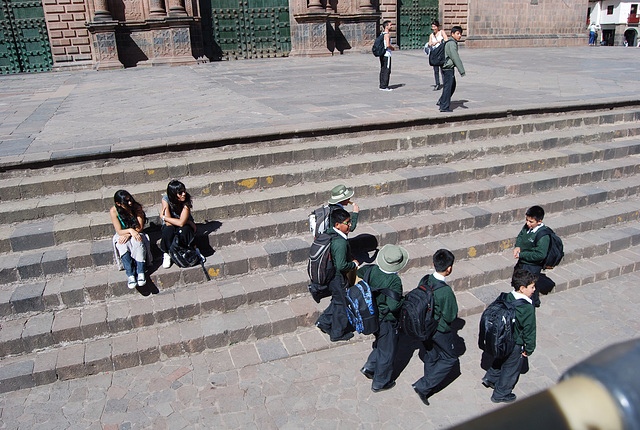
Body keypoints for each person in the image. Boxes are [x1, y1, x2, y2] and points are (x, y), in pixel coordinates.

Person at [412, 249, 460, 405]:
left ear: (433, 264)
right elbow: (450, 316)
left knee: (431, 354)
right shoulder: (445, 291)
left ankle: (428, 382)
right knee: (450, 358)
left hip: (423, 326)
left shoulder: (425, 279)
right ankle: (423, 386)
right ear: (449, 268)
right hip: (439, 330)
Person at [482, 269, 537, 403]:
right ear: (523, 288)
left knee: (500, 359)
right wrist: (528, 349)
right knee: (510, 369)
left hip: (500, 339)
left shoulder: (505, 297)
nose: (534, 290)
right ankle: (500, 394)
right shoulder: (527, 308)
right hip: (515, 343)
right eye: (532, 287)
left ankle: (490, 378)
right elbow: (530, 330)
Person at [359, 244, 408, 392]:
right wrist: (403, 300)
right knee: (388, 350)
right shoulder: (394, 281)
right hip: (386, 319)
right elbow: (393, 305)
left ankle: (370, 367)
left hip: (370, 315)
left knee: (381, 343)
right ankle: (380, 382)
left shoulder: (370, 269)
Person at [315, 208, 360, 341]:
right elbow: (341, 266)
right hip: (337, 278)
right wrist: (354, 265)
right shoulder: (340, 242)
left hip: (330, 276)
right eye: (347, 223)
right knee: (342, 304)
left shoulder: (329, 233)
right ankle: (337, 333)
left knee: (337, 299)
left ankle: (324, 321)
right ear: (337, 225)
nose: (349, 225)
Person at [110, 190, 150, 289]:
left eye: (130, 200)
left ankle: (140, 271)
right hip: (123, 233)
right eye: (126, 202)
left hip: (135, 231)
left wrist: (131, 233)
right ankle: (130, 274)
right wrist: (130, 232)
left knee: (137, 242)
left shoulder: (136, 208)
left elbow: (140, 227)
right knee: (122, 244)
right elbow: (119, 231)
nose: (130, 203)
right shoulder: (114, 211)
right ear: (118, 204)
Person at [160, 180, 202, 268]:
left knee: (185, 229)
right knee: (168, 229)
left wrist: (163, 217)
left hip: (183, 225)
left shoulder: (186, 200)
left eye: (184, 191)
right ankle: (167, 253)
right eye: (180, 192)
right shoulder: (166, 200)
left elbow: (182, 223)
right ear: (173, 194)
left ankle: (194, 249)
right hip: (173, 225)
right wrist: (186, 222)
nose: (183, 194)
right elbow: (168, 223)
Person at [513, 205, 549, 307]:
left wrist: (522, 254)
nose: (528, 223)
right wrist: (517, 246)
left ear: (539, 221)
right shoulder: (527, 227)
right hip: (523, 262)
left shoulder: (543, 236)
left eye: (531, 222)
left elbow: (540, 254)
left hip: (532, 266)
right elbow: (521, 236)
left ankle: (530, 306)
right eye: (527, 220)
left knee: (529, 288)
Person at [437, 26, 465, 113]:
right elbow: (455, 57)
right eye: (458, 33)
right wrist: (462, 71)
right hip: (448, 68)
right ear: (452, 34)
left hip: (446, 67)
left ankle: (442, 101)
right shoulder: (452, 43)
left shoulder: (451, 42)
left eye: (460, 34)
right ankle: (444, 106)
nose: (459, 35)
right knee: (448, 87)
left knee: (451, 85)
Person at [428, 20, 448, 90]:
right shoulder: (431, 35)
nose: (433, 28)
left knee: (442, 69)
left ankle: (445, 83)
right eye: (432, 26)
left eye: (434, 26)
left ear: (437, 26)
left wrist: (438, 41)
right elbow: (429, 43)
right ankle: (437, 84)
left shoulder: (441, 32)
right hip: (435, 53)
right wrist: (431, 44)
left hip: (441, 53)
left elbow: (446, 40)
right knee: (435, 70)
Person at [379, 20, 395, 91]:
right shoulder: (387, 35)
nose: (391, 26)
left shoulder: (382, 34)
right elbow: (388, 45)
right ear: (386, 26)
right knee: (387, 70)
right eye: (390, 25)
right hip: (387, 54)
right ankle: (385, 86)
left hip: (382, 54)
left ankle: (382, 84)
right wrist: (392, 48)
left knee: (383, 69)